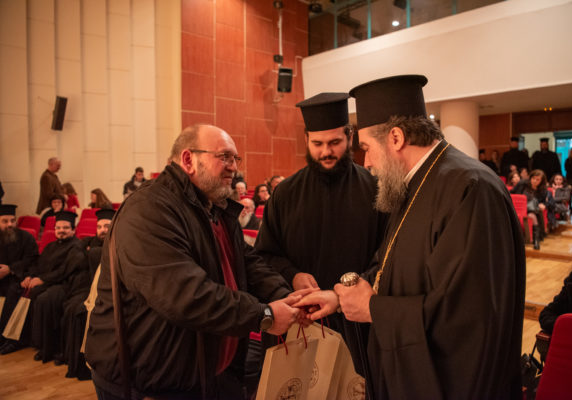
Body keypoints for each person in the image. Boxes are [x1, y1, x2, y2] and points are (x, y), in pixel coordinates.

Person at [295, 75, 526, 399]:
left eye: (367, 148)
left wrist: (374, 309)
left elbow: (469, 316)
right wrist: (340, 298)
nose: (367, 162)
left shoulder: (471, 189)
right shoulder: (415, 184)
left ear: (396, 137)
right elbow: (391, 268)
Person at [85, 124, 302, 399]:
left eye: (235, 159)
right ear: (188, 159)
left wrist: (286, 296)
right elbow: (185, 294)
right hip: (148, 379)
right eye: (224, 157)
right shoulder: (149, 208)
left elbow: (245, 262)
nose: (234, 167)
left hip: (205, 372)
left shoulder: (213, 204)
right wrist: (264, 316)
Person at [255, 93, 387, 382]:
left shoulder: (377, 190)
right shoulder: (285, 193)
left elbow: (388, 258)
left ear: (349, 137)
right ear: (306, 140)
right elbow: (264, 256)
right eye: (317, 144)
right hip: (299, 323)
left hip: (358, 326)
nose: (326, 151)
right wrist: (292, 276)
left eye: (334, 142)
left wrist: (343, 295)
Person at [0, 211, 85, 356]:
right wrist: (30, 276)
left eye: (65, 228)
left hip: (61, 283)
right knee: (16, 289)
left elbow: (64, 271)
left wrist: (42, 279)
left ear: (73, 230)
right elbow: (38, 264)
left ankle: (21, 339)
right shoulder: (51, 246)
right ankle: (7, 335)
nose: (61, 231)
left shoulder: (76, 247)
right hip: (44, 279)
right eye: (58, 228)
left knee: (35, 296)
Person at [62, 208, 115, 380]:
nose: (102, 230)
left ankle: (84, 367)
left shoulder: (115, 243)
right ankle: (69, 359)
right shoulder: (88, 241)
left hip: (104, 292)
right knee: (71, 308)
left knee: (80, 312)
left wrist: (91, 252)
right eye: (99, 227)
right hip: (86, 288)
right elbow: (75, 251)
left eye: (107, 226)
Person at [0, 204, 38, 351]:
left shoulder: (26, 238)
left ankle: (10, 339)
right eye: (5, 221)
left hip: (18, 277)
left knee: (13, 291)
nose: (10, 224)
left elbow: (32, 259)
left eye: (12, 220)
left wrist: (10, 269)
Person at [511, 169, 555, 248]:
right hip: (518, 208)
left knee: (532, 216)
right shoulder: (522, 183)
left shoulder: (543, 190)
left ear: (541, 181)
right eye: (533, 178)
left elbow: (546, 203)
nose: (535, 181)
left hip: (532, 209)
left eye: (538, 179)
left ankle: (536, 240)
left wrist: (544, 205)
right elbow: (512, 193)